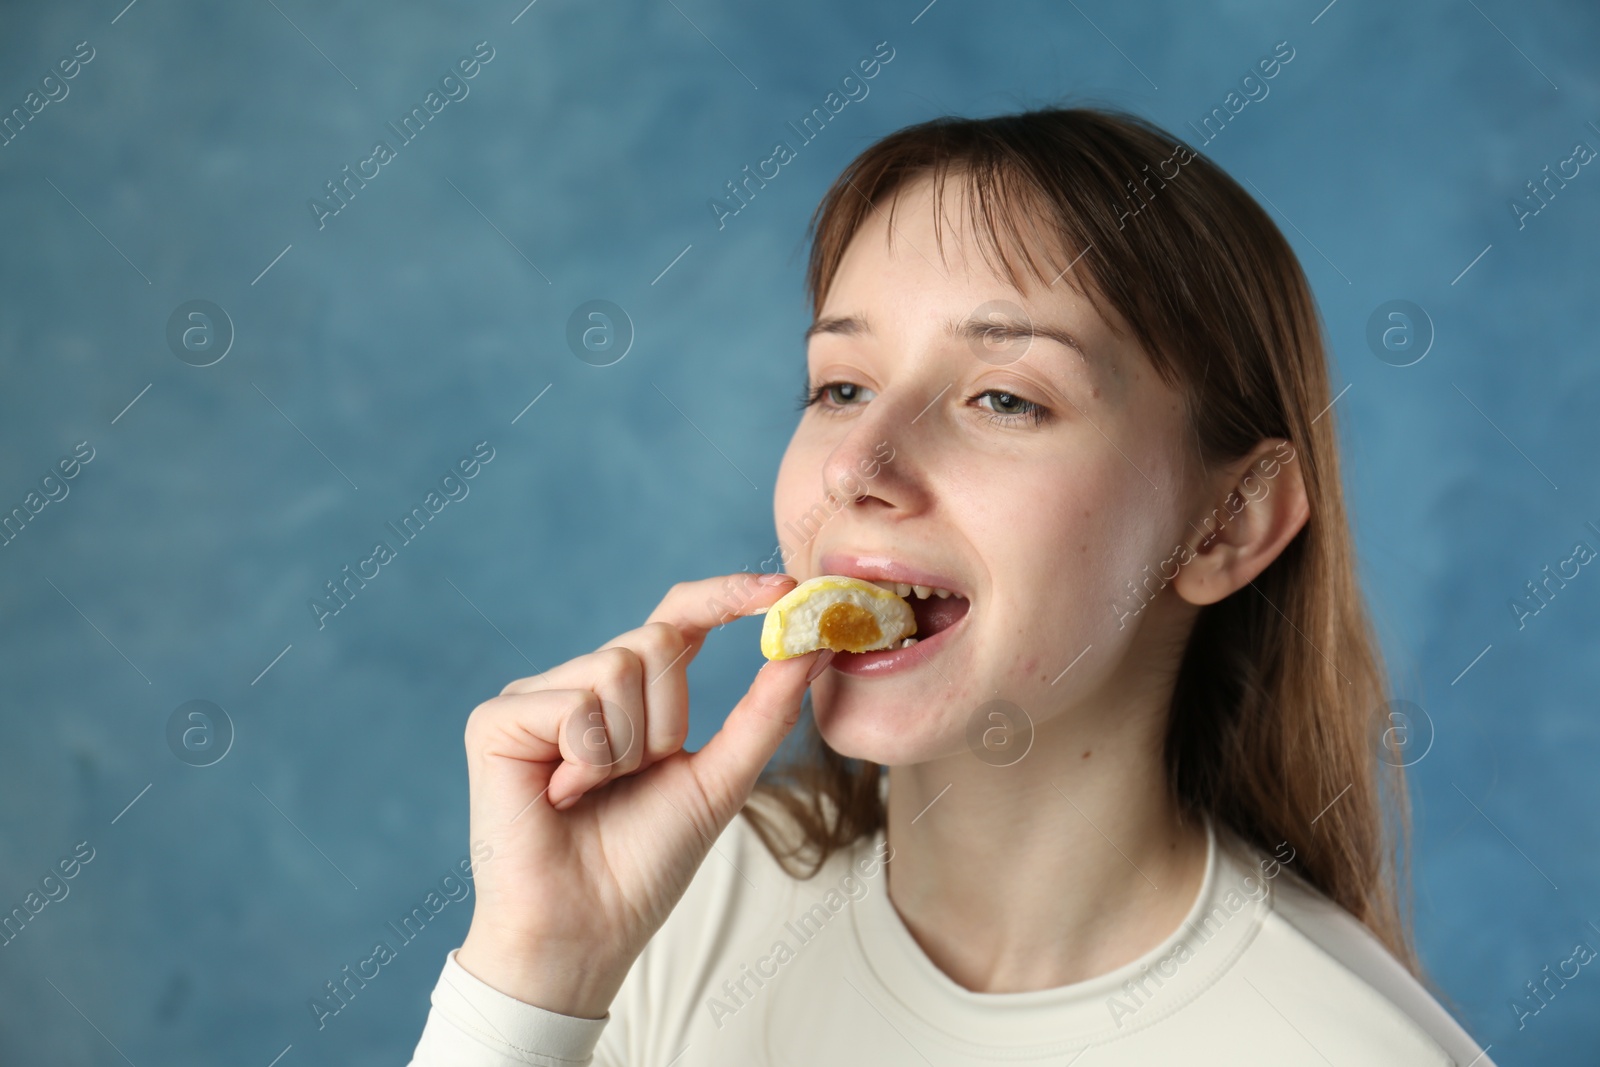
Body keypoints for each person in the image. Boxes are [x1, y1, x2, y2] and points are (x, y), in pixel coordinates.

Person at [407, 107, 1493, 1065]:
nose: (856, 465)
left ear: (1230, 523)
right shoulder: (670, 903)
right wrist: (536, 972)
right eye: (841, 385)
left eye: (1003, 399)